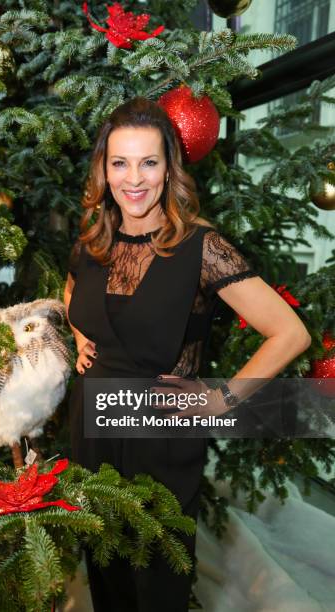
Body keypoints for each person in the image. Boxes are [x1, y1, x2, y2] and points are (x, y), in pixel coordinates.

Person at [63, 97, 311, 612]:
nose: (135, 178)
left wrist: (221, 400)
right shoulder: (91, 242)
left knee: (156, 580)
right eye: (120, 162)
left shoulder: (202, 247)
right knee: (105, 569)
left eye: (149, 162)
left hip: (161, 435)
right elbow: (72, 294)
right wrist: (81, 334)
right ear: (104, 170)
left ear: (168, 168)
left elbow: (289, 333)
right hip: (92, 424)